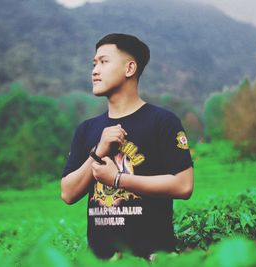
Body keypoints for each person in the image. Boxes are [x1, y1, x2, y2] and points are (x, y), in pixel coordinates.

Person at [61, 33, 194, 259]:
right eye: (94, 64)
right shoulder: (87, 130)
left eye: (104, 62)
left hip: (152, 260)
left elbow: (183, 185)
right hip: (100, 262)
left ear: (130, 68)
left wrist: (118, 179)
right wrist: (98, 151)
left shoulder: (163, 122)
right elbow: (68, 192)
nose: (94, 71)